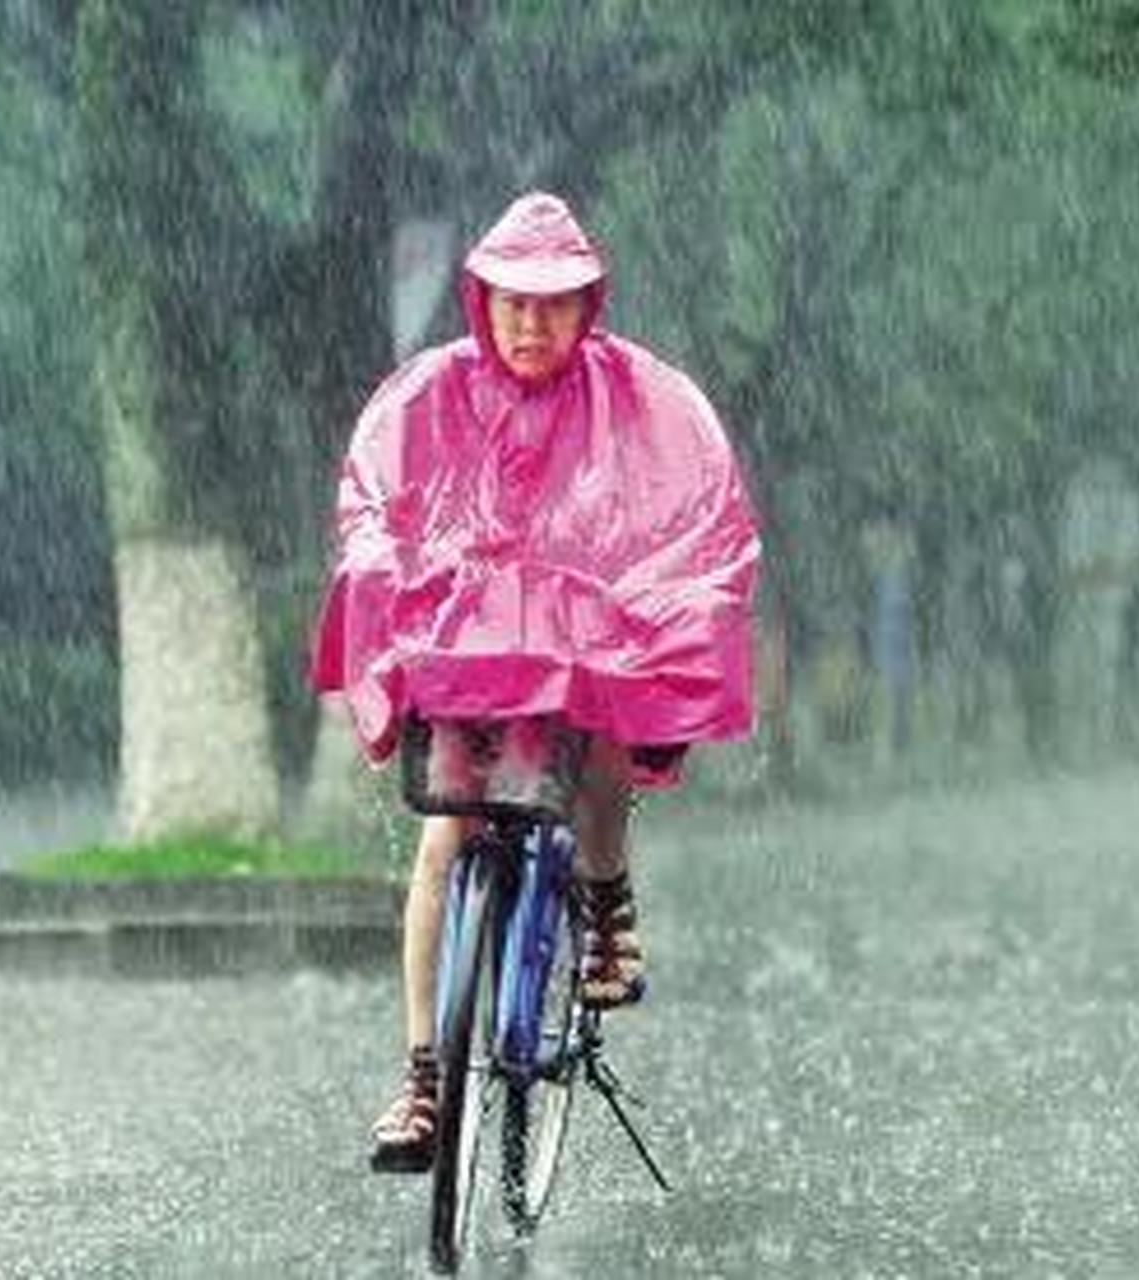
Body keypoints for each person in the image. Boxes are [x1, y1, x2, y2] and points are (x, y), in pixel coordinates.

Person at [309, 191, 760, 1173]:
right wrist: (390, 568)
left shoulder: (640, 402)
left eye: (553, 303)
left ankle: (605, 907)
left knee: (601, 741)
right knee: (444, 840)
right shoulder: (429, 394)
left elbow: (692, 510)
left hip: (579, 656)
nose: (531, 322)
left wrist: (657, 596)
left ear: (585, 305)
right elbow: (377, 502)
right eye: (513, 301)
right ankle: (422, 1075)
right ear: (482, 301)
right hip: (468, 659)